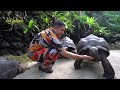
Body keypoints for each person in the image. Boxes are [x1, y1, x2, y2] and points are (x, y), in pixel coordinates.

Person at [28, 20, 94, 73]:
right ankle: (43, 66)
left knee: (59, 50)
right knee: (56, 51)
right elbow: (64, 53)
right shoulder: (52, 36)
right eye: (61, 30)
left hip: (35, 52)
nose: (63, 32)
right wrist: (83, 57)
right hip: (33, 55)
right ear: (55, 28)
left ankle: (43, 60)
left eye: (63, 30)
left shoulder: (49, 31)